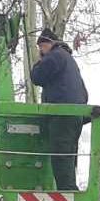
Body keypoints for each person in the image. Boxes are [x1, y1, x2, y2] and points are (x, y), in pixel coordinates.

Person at [30, 28, 89, 191]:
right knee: (69, 153)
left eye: (41, 47)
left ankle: (67, 190)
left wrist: (39, 62)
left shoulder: (55, 56)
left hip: (62, 112)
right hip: (76, 113)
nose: (41, 51)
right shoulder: (68, 59)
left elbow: (37, 76)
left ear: (49, 44)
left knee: (60, 153)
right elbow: (83, 91)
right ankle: (70, 187)